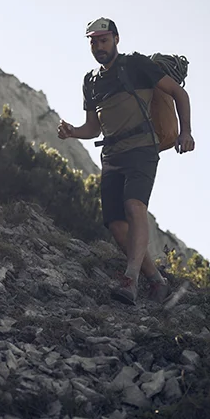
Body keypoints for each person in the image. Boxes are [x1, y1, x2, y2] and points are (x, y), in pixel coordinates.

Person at [57, 17, 195, 305]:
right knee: (116, 225)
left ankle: (130, 279)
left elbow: (179, 93)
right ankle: (157, 280)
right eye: (93, 41)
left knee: (135, 207)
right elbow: (93, 127)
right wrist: (73, 133)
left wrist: (186, 132)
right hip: (111, 156)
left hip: (142, 150)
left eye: (103, 40)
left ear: (116, 39)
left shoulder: (137, 65)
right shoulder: (90, 82)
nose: (98, 46)